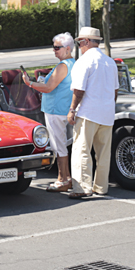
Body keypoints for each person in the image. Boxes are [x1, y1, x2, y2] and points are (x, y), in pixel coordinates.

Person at [66, 27, 119, 199]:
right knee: (103, 153)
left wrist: (72, 109)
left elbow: (79, 90)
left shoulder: (84, 61)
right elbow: (115, 91)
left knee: (81, 150)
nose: (79, 46)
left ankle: (82, 187)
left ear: (86, 42)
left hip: (88, 112)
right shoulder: (110, 62)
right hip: (107, 113)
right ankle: (101, 186)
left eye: (80, 42)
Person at [22, 32, 75, 192]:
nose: (54, 50)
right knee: (62, 145)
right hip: (64, 108)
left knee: (58, 146)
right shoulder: (73, 63)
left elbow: (48, 87)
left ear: (67, 48)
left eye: (57, 47)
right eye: (54, 47)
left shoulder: (63, 66)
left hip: (55, 109)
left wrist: (29, 83)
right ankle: (66, 178)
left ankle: (62, 179)